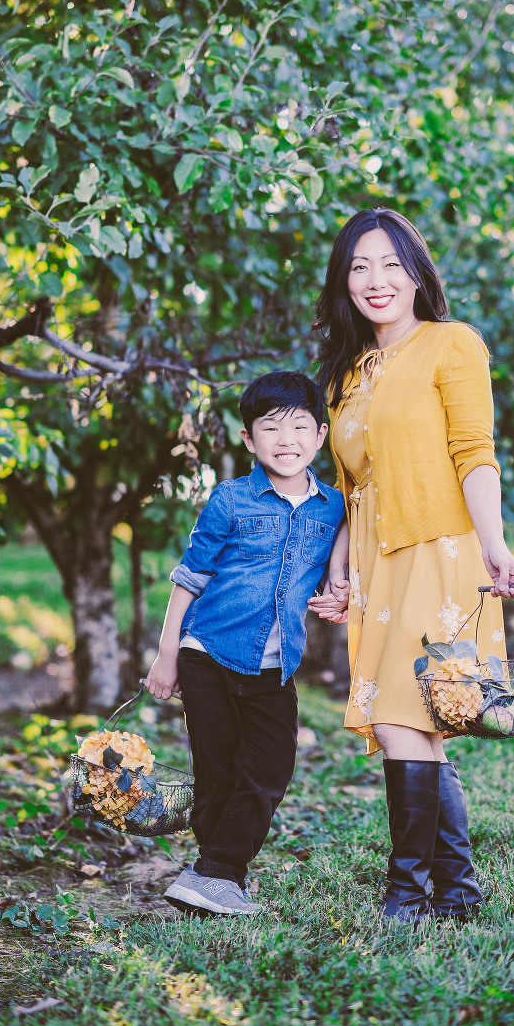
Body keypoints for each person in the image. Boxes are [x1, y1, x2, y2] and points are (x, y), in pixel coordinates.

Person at [310, 207, 514, 925]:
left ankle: (407, 892)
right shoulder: (345, 374)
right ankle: (456, 891)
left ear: (416, 274)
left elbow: (474, 451)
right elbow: (351, 486)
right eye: (359, 266)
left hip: (441, 549)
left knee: (404, 715)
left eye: (391, 265)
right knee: (414, 722)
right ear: (344, 281)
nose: (376, 280)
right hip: (376, 564)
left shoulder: (451, 344)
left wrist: (494, 543)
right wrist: (339, 569)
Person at [145, 371, 349, 916]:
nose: (287, 440)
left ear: (321, 435)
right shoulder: (230, 499)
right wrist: (167, 655)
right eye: (271, 428)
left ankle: (211, 874)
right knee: (216, 773)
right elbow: (190, 578)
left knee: (270, 769)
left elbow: (350, 537)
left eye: (300, 427)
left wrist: (339, 581)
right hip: (208, 653)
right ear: (248, 439)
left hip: (273, 668)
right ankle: (217, 879)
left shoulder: (333, 506)